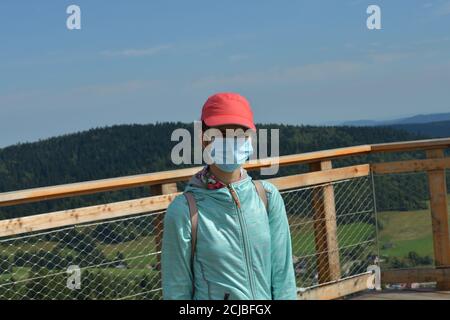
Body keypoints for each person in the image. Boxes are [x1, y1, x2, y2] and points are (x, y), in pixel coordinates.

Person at [161, 92, 297, 300]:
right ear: (204, 140)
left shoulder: (268, 198)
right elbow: (176, 292)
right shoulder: (184, 211)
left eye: (239, 134)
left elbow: (283, 280)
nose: (230, 141)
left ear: (250, 140)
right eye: (221, 133)